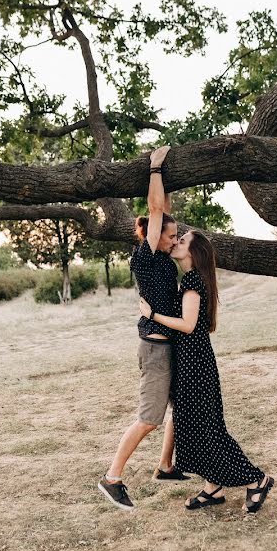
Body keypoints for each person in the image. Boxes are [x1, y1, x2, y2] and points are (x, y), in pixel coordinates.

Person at [139, 230, 275, 513]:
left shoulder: (192, 281)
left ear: (194, 252)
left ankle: (257, 479)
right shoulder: (191, 280)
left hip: (195, 365)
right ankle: (213, 488)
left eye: (182, 241)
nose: (176, 242)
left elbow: (188, 325)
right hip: (191, 361)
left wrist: (151, 315)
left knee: (209, 431)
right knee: (195, 428)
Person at [98, 145, 189, 512]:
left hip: (171, 342)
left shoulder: (162, 256)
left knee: (180, 408)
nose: (174, 239)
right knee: (150, 417)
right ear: (152, 237)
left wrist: (167, 174)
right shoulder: (147, 257)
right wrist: (153, 167)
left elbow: (163, 210)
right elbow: (156, 211)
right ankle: (112, 478)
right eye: (170, 236)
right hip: (155, 346)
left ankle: (165, 466)